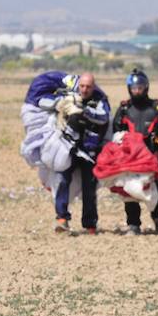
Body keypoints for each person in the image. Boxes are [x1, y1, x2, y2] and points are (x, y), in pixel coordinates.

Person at [112, 69, 158, 235]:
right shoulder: (124, 109)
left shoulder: (157, 107)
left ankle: (157, 218)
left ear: (146, 87)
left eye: (140, 87)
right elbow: (115, 131)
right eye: (134, 88)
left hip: (152, 156)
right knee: (130, 191)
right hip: (131, 158)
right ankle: (133, 224)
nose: (137, 91)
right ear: (129, 88)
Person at [54, 72, 110, 233]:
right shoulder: (70, 96)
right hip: (69, 147)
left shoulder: (100, 100)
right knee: (62, 181)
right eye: (82, 86)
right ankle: (62, 218)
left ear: (94, 87)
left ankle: (90, 224)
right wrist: (63, 106)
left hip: (89, 151)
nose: (85, 90)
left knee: (89, 187)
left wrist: (83, 111)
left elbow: (104, 118)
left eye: (88, 87)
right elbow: (53, 106)